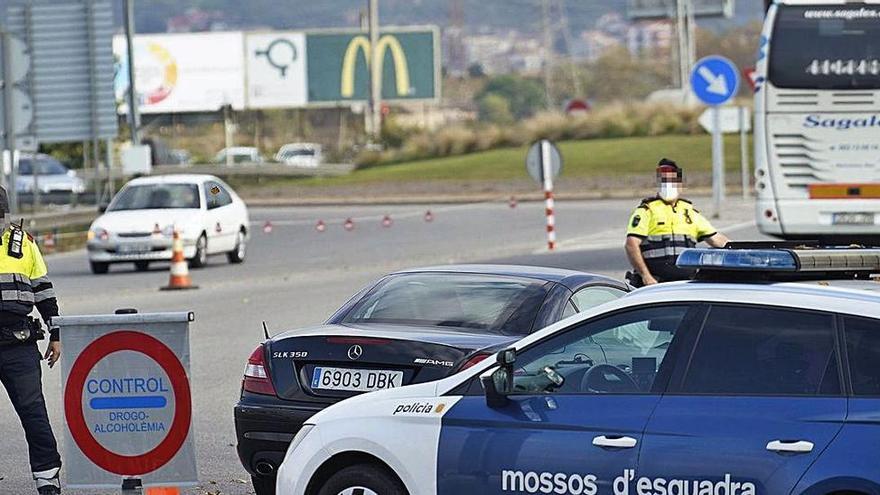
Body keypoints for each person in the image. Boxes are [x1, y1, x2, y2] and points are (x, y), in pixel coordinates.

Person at [0, 186, 62, 494]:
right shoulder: (22, 241)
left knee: (33, 412)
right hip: (18, 344)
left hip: (18, 342)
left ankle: (47, 477)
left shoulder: (24, 244)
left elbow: (43, 291)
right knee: (33, 411)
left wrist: (56, 332)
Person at [625, 158, 729, 287]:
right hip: (655, 284)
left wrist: (741, 251)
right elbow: (631, 244)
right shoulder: (647, 210)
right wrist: (646, 276)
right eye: (664, 182)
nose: (668, 186)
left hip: (686, 284)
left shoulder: (689, 212)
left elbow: (717, 239)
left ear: (680, 185)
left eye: (672, 182)